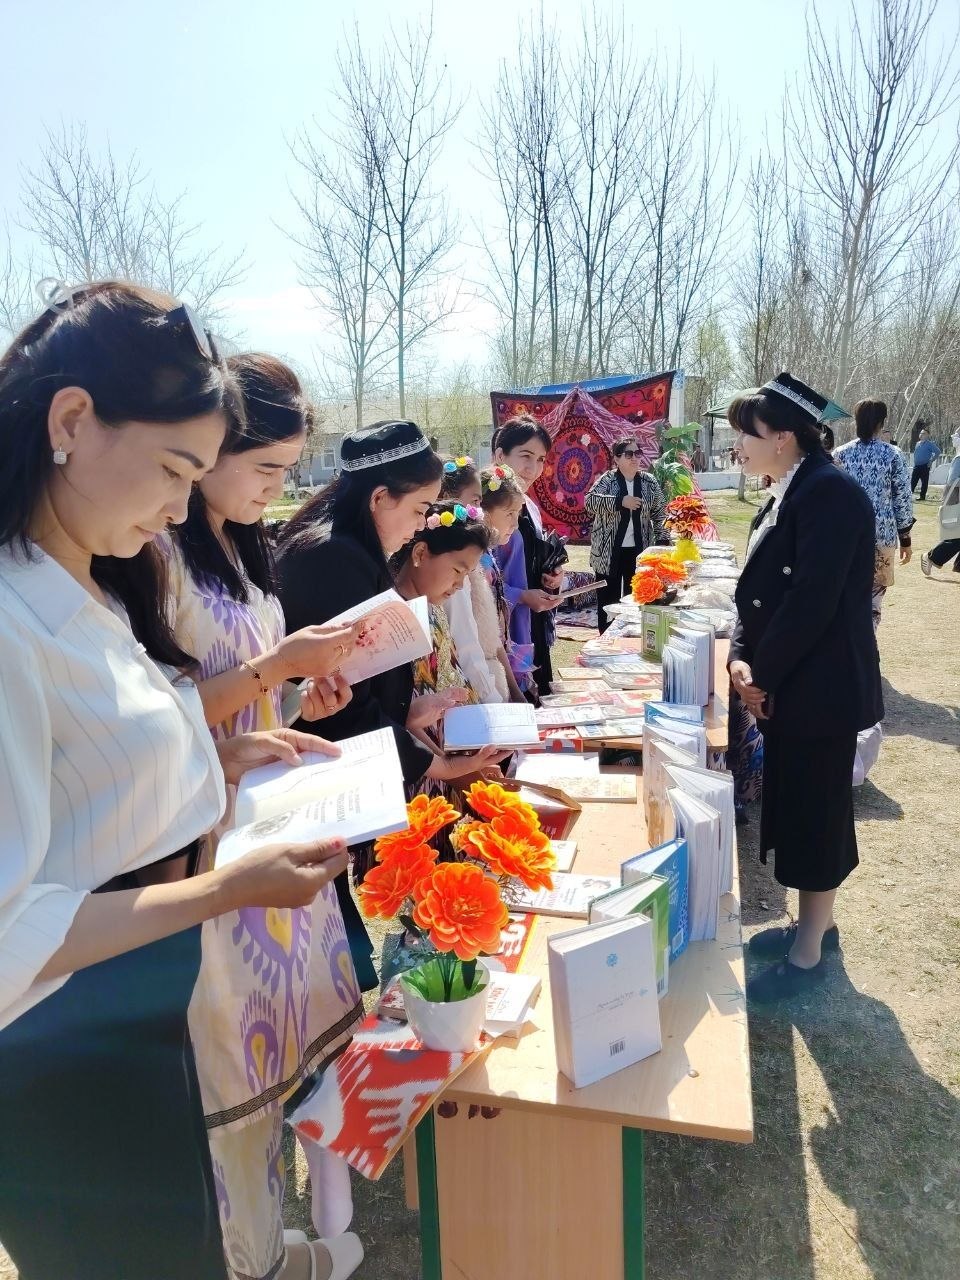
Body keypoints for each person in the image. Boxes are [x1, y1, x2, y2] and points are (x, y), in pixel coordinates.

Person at [0, 281, 350, 1279]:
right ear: (73, 420)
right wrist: (231, 885)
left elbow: (94, 782)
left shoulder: (83, 581)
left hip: (140, 1014)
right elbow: (12, 923)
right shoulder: (12, 611)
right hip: (62, 1053)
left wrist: (221, 756)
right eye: (171, 468)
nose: (177, 506)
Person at [163, 354, 366, 1280]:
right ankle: (250, 1258)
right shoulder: (153, 553)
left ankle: (274, 1245)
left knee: (282, 1076)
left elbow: (252, 712)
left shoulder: (243, 546)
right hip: (214, 854)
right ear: (209, 450)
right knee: (231, 1085)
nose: (277, 490)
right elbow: (156, 724)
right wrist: (271, 673)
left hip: (271, 827)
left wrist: (297, 706)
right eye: (267, 469)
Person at [275, 422, 506, 982]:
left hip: (329, 764)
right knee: (333, 961)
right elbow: (341, 701)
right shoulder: (335, 558)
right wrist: (434, 763)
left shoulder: (351, 550)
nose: (420, 525)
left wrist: (408, 711)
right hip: (315, 775)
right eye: (420, 507)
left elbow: (357, 681)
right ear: (380, 497)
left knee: (342, 955)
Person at [727, 373, 882, 1004]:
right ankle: (813, 925)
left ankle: (809, 952)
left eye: (748, 432)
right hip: (790, 682)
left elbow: (809, 602)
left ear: (785, 437)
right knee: (799, 806)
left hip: (821, 689)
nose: (738, 442)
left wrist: (760, 675)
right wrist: (741, 659)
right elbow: (757, 589)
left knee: (817, 813)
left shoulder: (831, 493)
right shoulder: (791, 487)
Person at [440, 459, 527, 702]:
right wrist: (496, 702)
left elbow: (491, 638)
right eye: (476, 502)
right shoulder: (455, 570)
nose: (476, 511)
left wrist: (514, 692)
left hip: (490, 684)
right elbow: (467, 650)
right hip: (477, 693)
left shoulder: (479, 562)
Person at [492, 416, 564, 698]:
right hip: (504, 630)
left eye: (541, 459)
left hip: (533, 620)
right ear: (500, 455)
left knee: (539, 697)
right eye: (525, 456)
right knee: (516, 700)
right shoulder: (484, 511)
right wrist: (522, 596)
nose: (532, 468)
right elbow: (478, 582)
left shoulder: (529, 506)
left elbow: (530, 558)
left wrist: (551, 577)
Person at [834, 398, 914, 627]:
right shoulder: (893, 455)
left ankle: (844, 648)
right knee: (873, 600)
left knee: (844, 595)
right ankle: (866, 649)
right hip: (882, 537)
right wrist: (905, 538)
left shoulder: (840, 454)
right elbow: (902, 500)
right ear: (881, 422)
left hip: (845, 538)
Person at [585, 437, 669, 632]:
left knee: (637, 599)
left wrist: (662, 542)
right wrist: (620, 501)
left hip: (639, 553)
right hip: (608, 554)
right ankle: (606, 640)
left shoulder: (649, 482)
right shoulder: (608, 479)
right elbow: (589, 502)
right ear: (617, 459)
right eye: (629, 454)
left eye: (637, 453)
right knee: (608, 601)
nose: (634, 458)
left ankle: (632, 639)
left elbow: (660, 513)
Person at [922, 441, 960, 577]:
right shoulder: (959, 459)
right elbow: (953, 480)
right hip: (956, 503)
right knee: (956, 538)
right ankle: (931, 557)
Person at [911, 426, 941, 499]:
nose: (921, 434)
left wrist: (931, 461)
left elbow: (938, 452)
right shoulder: (917, 443)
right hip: (917, 466)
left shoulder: (929, 444)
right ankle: (908, 496)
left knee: (924, 482)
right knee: (913, 481)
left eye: (923, 433)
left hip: (925, 466)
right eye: (921, 433)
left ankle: (922, 497)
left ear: (927, 435)